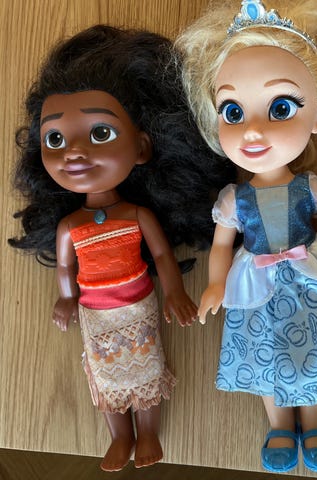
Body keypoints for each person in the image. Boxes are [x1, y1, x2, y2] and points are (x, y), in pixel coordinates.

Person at [9, 25, 236, 471]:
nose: (73, 152)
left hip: (137, 305)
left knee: (147, 367)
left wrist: (174, 291)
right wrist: (66, 297)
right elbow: (65, 269)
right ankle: (119, 435)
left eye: (99, 133)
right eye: (55, 139)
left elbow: (163, 256)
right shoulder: (70, 225)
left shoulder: (137, 215)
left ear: (143, 147)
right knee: (103, 373)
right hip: (95, 313)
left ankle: (147, 431)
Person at [176, 0, 317, 473]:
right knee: (265, 354)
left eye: (280, 108)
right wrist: (215, 285)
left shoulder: (310, 187)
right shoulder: (233, 199)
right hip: (254, 286)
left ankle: (314, 424)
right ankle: (279, 425)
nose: (253, 130)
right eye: (233, 111)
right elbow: (222, 245)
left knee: (313, 353)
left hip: (311, 281)